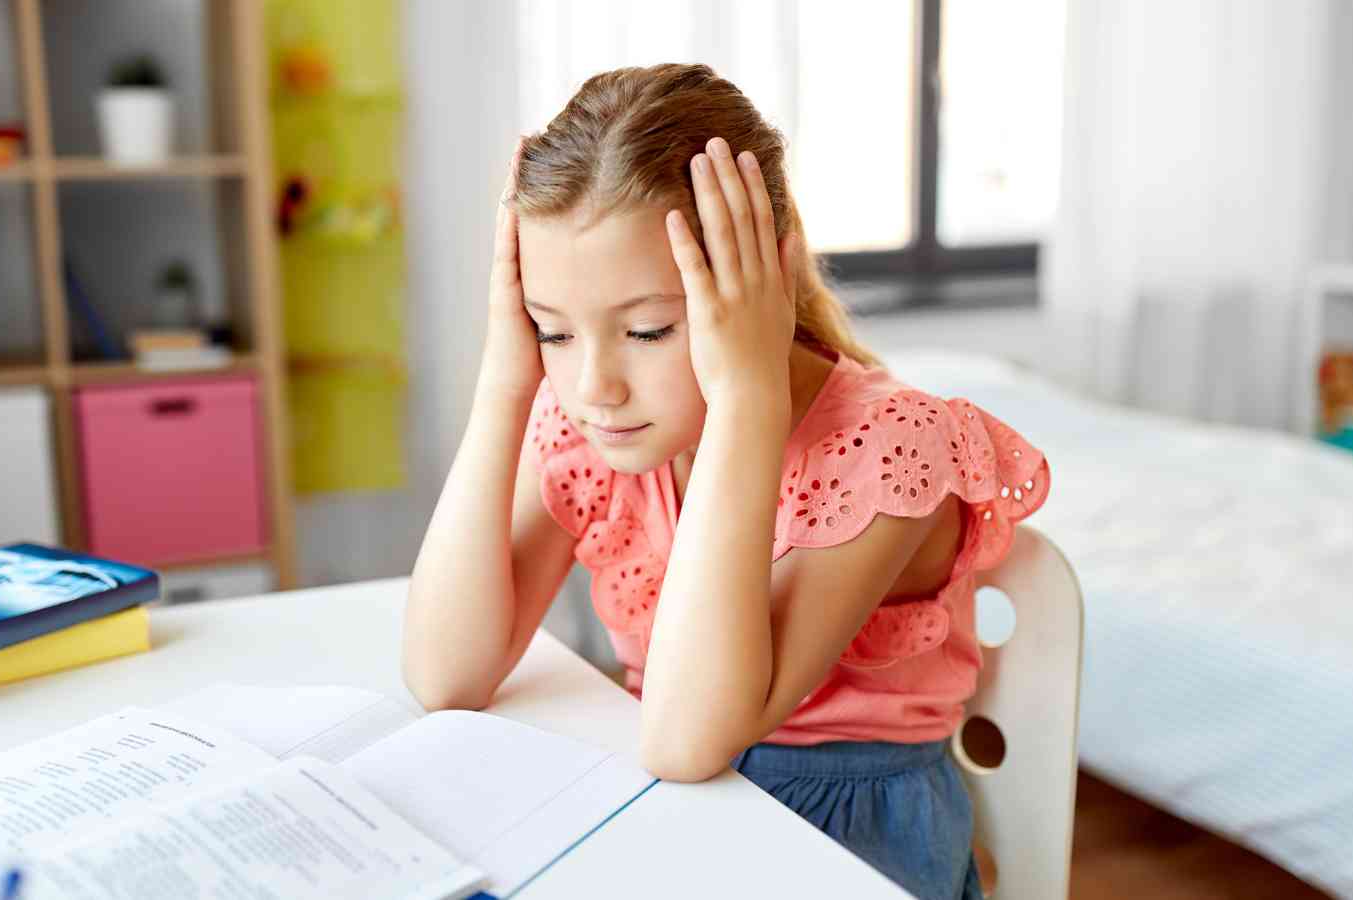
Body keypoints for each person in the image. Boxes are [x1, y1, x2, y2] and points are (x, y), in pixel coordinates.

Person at [403, 63, 1049, 899]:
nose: (594, 384)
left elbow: (685, 739)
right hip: (676, 810)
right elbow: (444, 673)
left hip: (843, 843)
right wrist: (504, 379)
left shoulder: (890, 449)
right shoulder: (597, 425)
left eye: (646, 329)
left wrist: (748, 397)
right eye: (553, 330)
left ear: (766, 285)